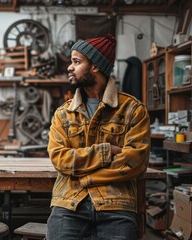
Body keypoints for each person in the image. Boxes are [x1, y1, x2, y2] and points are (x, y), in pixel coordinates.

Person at [46, 34, 150, 239]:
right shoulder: (63, 113)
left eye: (76, 62)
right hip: (69, 202)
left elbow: (135, 162)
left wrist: (86, 177)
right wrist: (106, 151)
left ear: (95, 66)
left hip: (116, 202)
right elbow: (60, 158)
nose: (69, 67)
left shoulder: (133, 110)